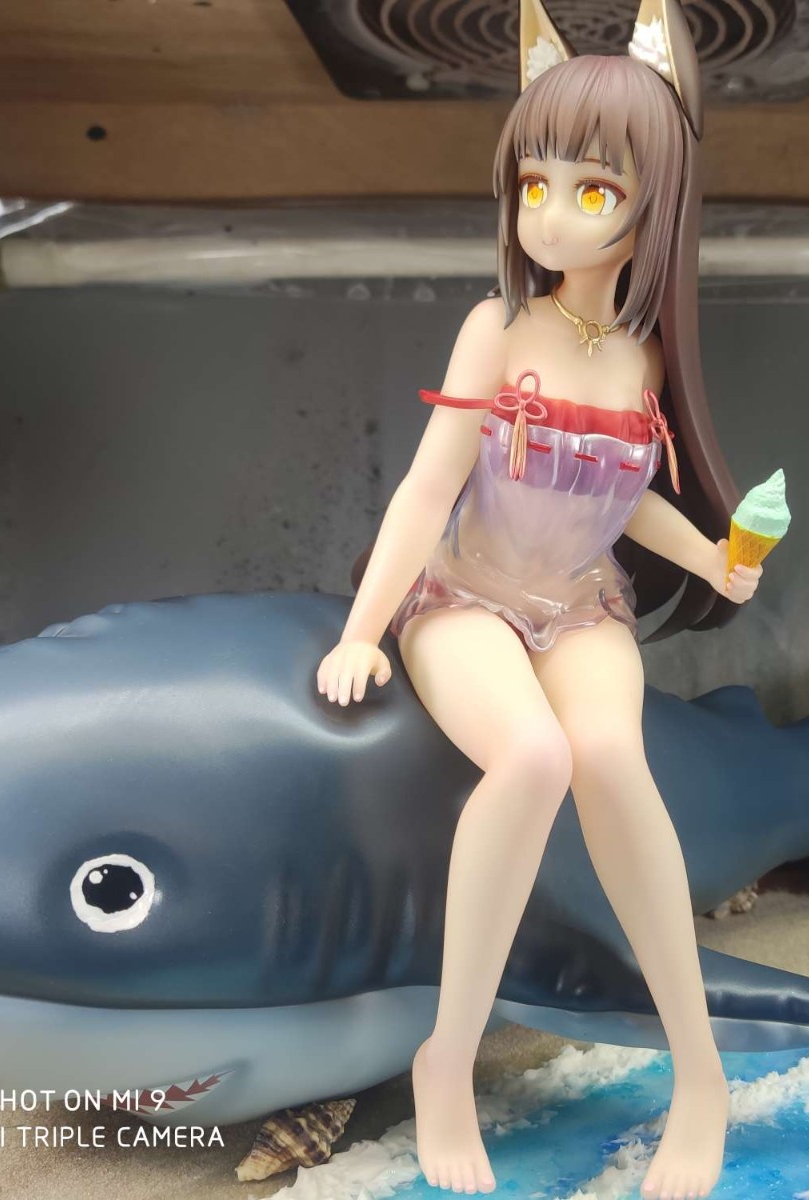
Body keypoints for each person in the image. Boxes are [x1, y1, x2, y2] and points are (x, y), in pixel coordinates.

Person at [317, 4, 759, 1196]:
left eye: (593, 190)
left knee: (610, 757)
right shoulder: (497, 326)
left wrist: (712, 558)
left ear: (657, 206)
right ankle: (447, 1055)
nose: (550, 215)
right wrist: (362, 630)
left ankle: (701, 1075)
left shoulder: (642, 356)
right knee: (532, 759)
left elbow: (624, 497)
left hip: (582, 605)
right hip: (465, 596)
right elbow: (427, 491)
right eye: (534, 184)